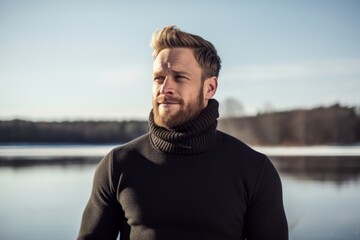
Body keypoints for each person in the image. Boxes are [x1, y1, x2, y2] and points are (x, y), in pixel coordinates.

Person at [77, 25, 288, 240]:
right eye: (159, 78)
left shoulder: (253, 170)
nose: (165, 87)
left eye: (179, 77)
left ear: (210, 88)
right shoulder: (118, 165)